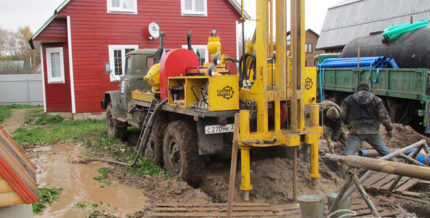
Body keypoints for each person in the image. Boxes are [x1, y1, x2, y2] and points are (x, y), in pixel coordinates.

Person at [341, 83, 393, 157]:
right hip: (372, 131)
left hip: (356, 131)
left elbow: (343, 116)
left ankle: (343, 167)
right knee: (385, 153)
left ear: (357, 89)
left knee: (347, 155)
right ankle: (396, 165)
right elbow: (384, 116)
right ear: (368, 90)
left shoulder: (349, 100)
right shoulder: (376, 100)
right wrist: (389, 129)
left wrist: (348, 124)